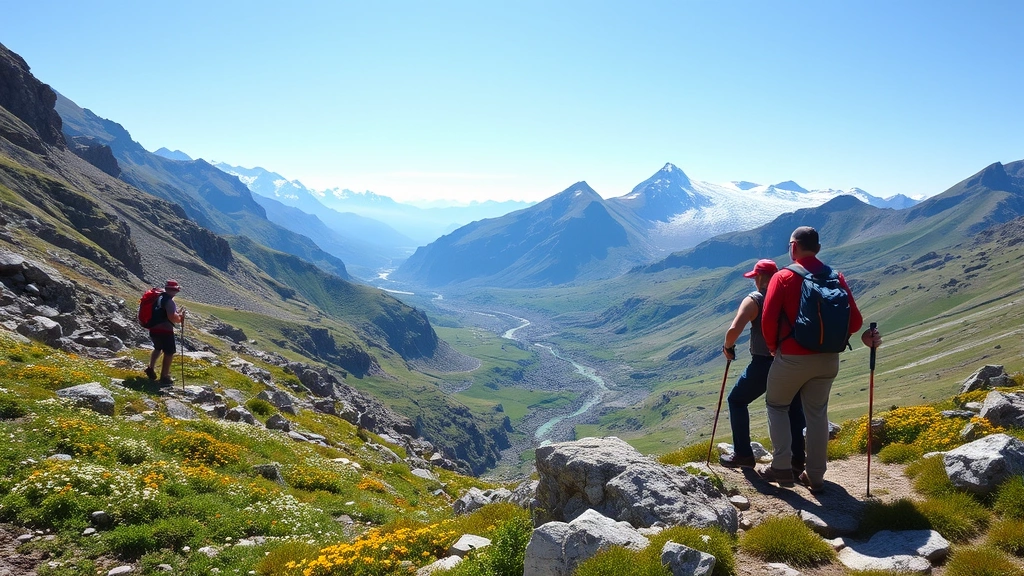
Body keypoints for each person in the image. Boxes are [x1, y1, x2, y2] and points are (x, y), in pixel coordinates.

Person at [759, 227, 880, 493]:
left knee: (777, 405)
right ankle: (815, 476)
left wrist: (772, 347)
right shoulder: (835, 277)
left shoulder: (783, 277)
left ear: (793, 247)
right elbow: (856, 321)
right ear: (819, 248)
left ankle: (780, 466)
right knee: (816, 414)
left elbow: (768, 318)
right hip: (828, 360)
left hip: (791, 356)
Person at [719, 259, 806, 473]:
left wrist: (728, 347)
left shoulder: (755, 299)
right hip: (791, 361)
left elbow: (734, 330)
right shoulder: (788, 296)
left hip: (764, 363)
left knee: (737, 400)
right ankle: (797, 461)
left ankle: (744, 455)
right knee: (793, 407)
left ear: (758, 278)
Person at [144, 279, 186, 386]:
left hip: (153, 328)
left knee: (158, 348)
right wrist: (180, 318)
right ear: (175, 290)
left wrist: (177, 314)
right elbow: (172, 317)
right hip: (165, 330)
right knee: (169, 352)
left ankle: (151, 368)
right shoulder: (169, 301)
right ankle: (164, 376)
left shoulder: (159, 297)